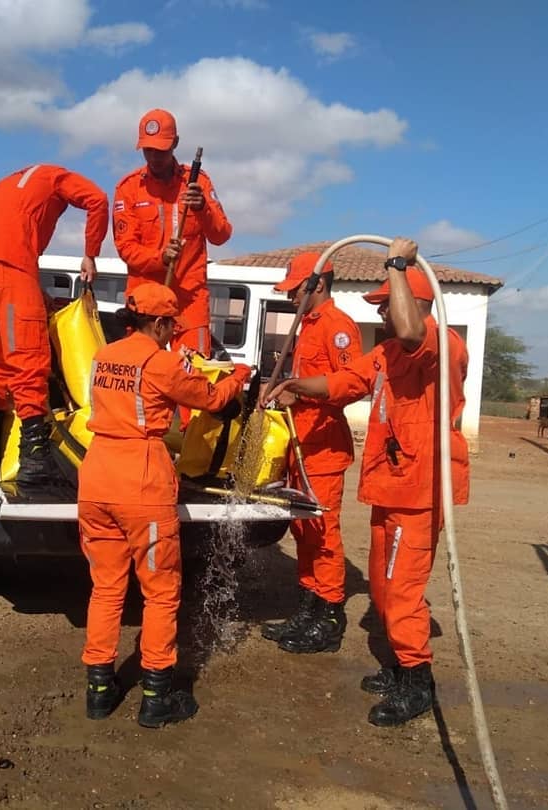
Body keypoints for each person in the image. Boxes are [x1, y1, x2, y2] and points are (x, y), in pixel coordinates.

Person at [265, 237, 469, 726]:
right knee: (381, 584)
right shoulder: (388, 354)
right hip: (390, 485)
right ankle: (399, 666)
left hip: (418, 490)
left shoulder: (438, 343)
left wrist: (397, 264)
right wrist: (294, 386)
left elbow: (410, 329)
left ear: (414, 302)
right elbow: (344, 382)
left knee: (400, 589)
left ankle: (417, 681)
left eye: (386, 303)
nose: (380, 314)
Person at [78, 283, 250, 728]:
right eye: (171, 325)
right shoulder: (162, 362)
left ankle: (99, 690)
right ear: (157, 323)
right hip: (141, 479)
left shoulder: (103, 355)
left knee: (105, 588)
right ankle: (156, 696)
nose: (174, 331)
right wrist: (238, 376)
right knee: (160, 591)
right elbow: (212, 400)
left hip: (96, 475)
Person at [0, 164, 109, 487]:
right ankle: (35, 458)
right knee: (28, 354)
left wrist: (36, 294)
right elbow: (97, 199)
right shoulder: (55, 176)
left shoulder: (8, 183)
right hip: (11, 260)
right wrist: (90, 254)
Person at [258, 252, 362, 654]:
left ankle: (329, 617)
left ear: (317, 284)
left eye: (296, 289)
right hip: (300, 443)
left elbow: (352, 385)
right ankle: (308, 607)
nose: (291, 297)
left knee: (323, 533)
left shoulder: (338, 327)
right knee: (303, 530)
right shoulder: (308, 325)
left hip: (324, 448)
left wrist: (298, 392)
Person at [113, 109, 232, 359]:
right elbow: (126, 247)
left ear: (175, 143)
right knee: (139, 370)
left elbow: (221, 235)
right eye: (148, 150)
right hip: (144, 301)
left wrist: (202, 208)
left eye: (161, 149)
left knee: (193, 373)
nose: (154, 157)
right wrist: (161, 259)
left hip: (189, 300)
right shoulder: (129, 188)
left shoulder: (198, 182)